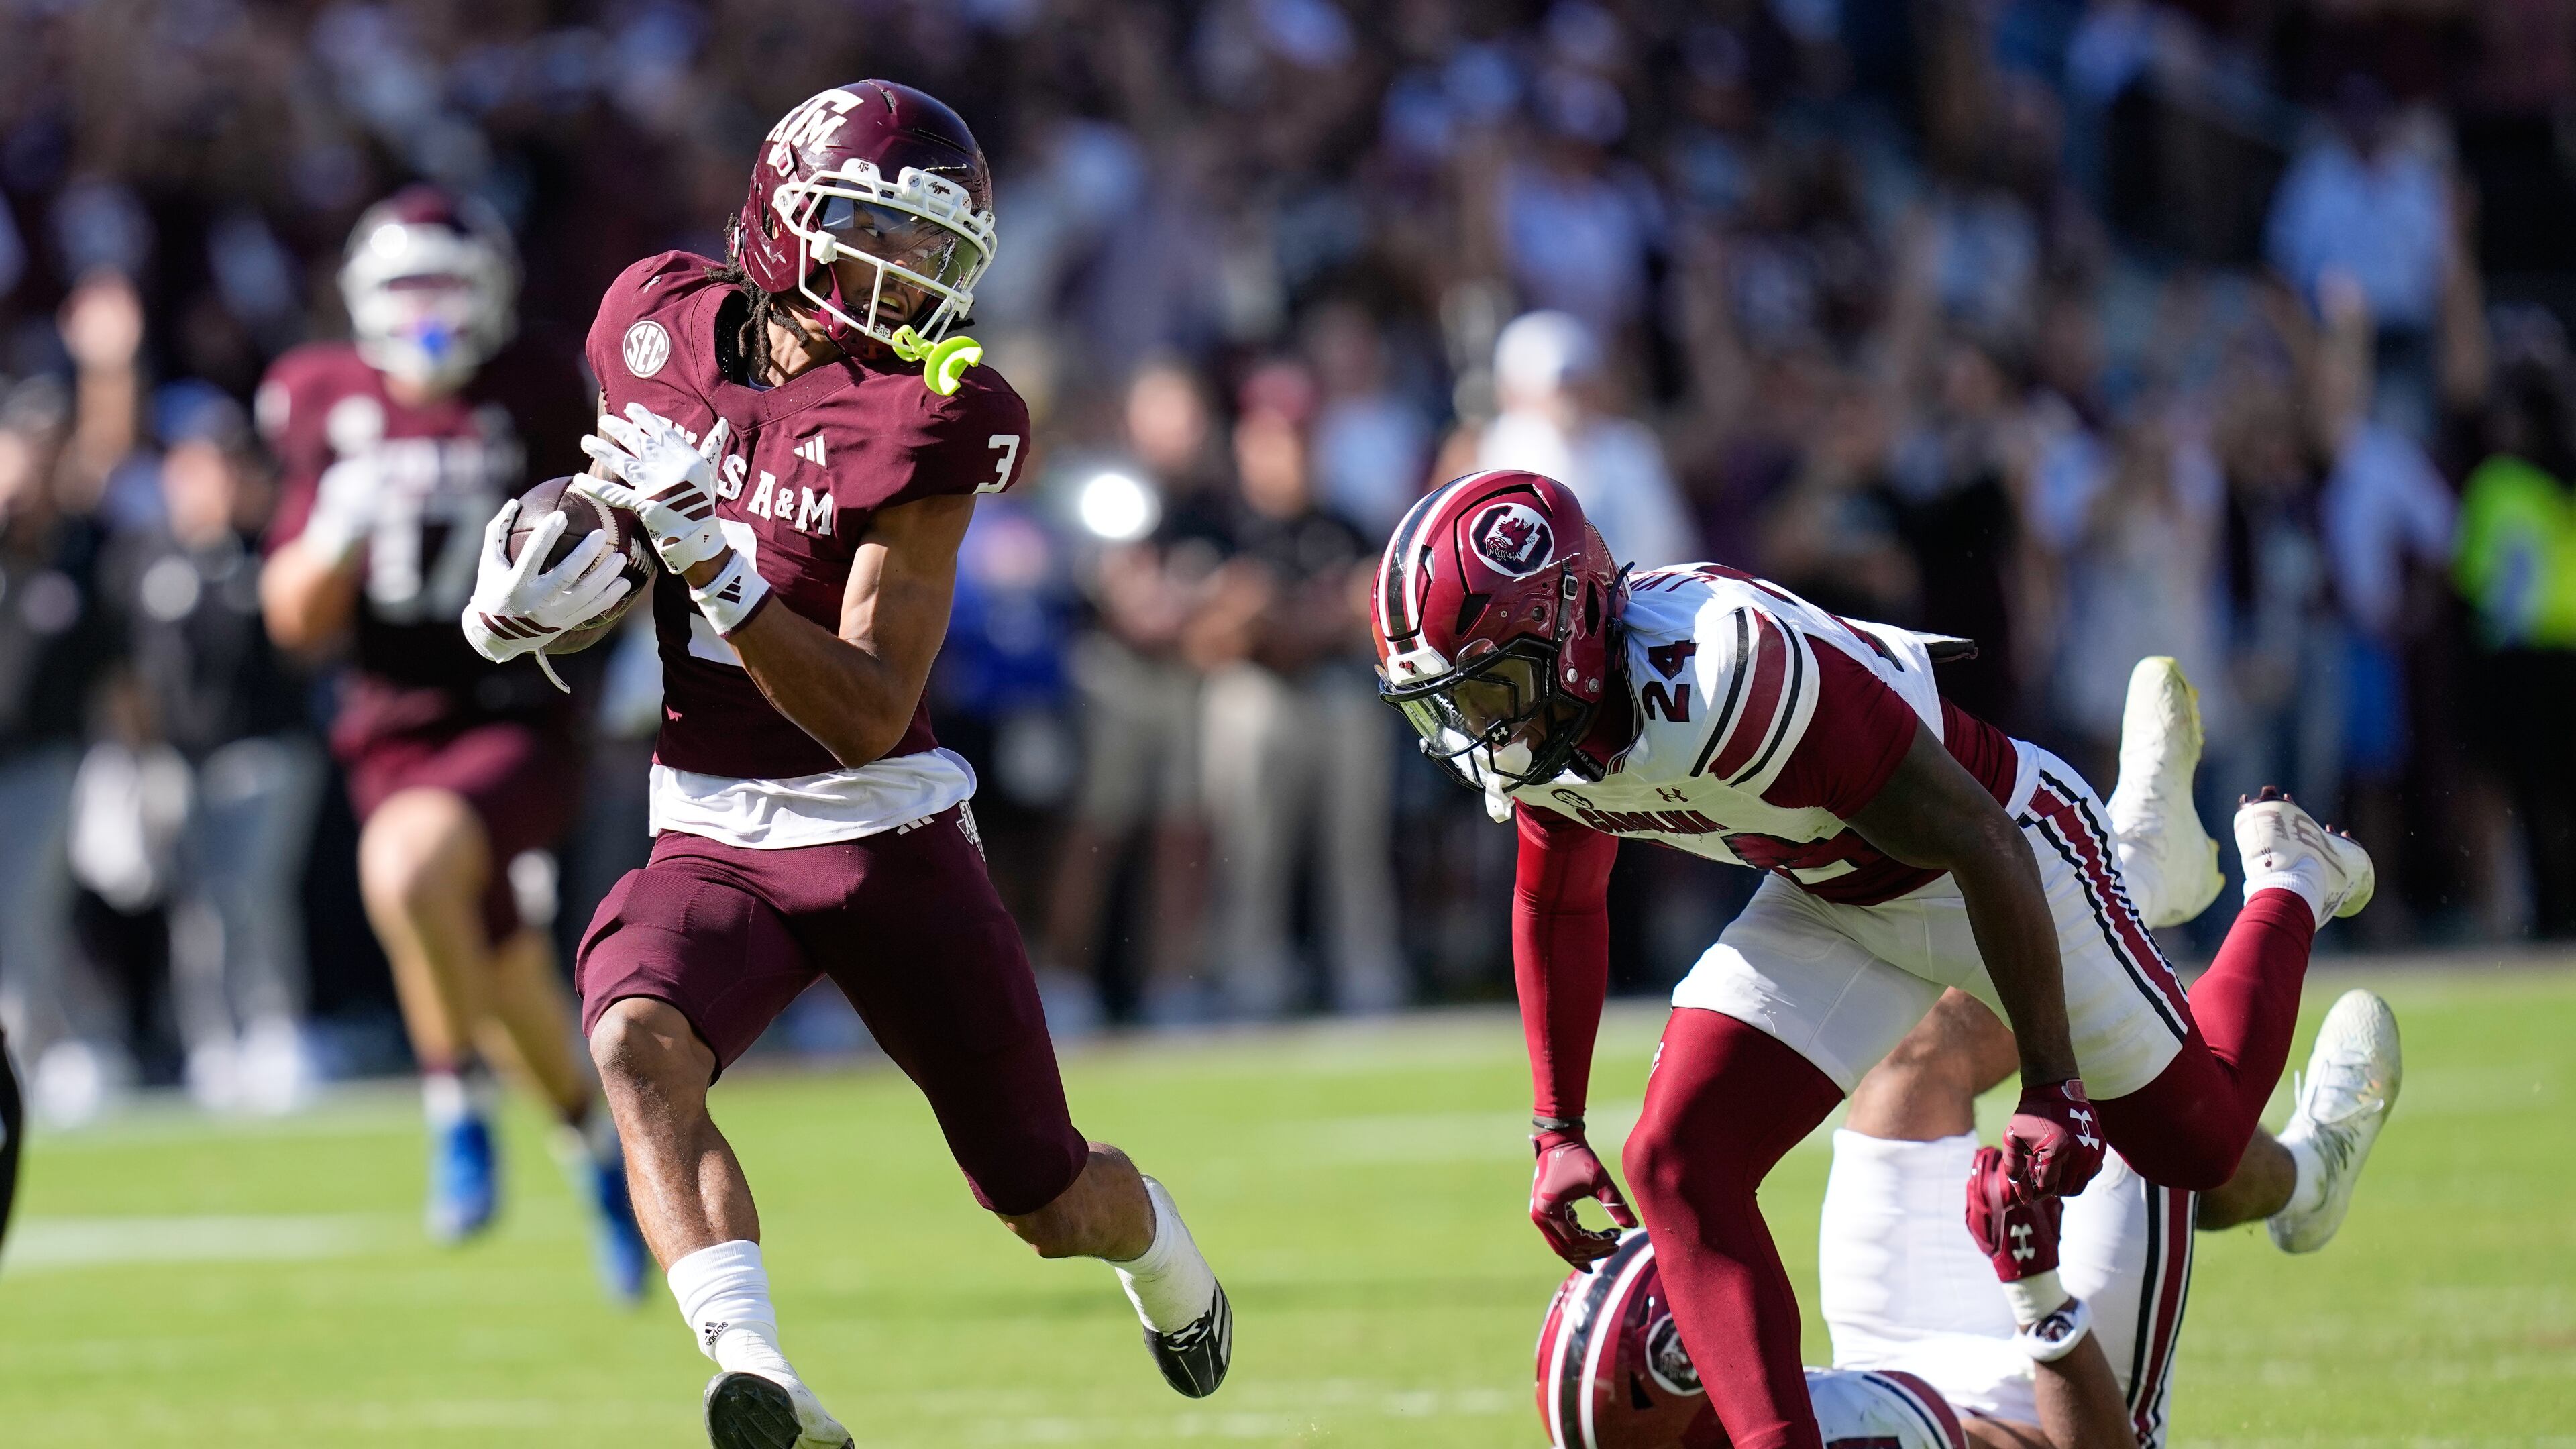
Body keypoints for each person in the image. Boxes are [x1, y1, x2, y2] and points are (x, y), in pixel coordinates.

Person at [472, 81, 1229, 1449]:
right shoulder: (655, 324)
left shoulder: (932, 417)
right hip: (708, 823)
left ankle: (1164, 1258)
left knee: (1043, 1196)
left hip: (882, 831)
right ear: (782, 218)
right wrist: (542, 564)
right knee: (636, 1039)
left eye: (939, 253)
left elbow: (871, 708)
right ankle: (755, 1374)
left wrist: (719, 570)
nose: (909, 279)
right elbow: (615, 503)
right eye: (881, 236)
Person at [1371, 470, 2373, 1449]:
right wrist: (1557, 1127)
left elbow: (1983, 841)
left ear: (1576, 628)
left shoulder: (1730, 674)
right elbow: (1558, 894)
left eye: (1493, 687)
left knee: (2191, 1146)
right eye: (1450, 701)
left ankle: (2289, 877)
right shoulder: (1558, 722)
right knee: (1678, 1161)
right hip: (1824, 884)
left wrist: (2052, 1084)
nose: (1476, 727)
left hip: (1985, 850)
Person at [256, 185, 646, 1295]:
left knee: (408, 866)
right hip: (389, 726)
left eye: (445, 289)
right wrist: (340, 522)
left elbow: (616, 562)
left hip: (518, 713)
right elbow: (295, 623)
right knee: (501, 963)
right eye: (406, 291)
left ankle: (453, 1113)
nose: (426, 316)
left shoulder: (533, 386)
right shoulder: (319, 395)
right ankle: (592, 1147)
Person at [1819, 981, 2402, 1449]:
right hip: (2062, 1415)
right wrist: (2035, 1293)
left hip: (1876, 1363)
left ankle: (2109, 878)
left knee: (1914, 1067)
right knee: (2137, 1094)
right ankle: (2308, 1179)